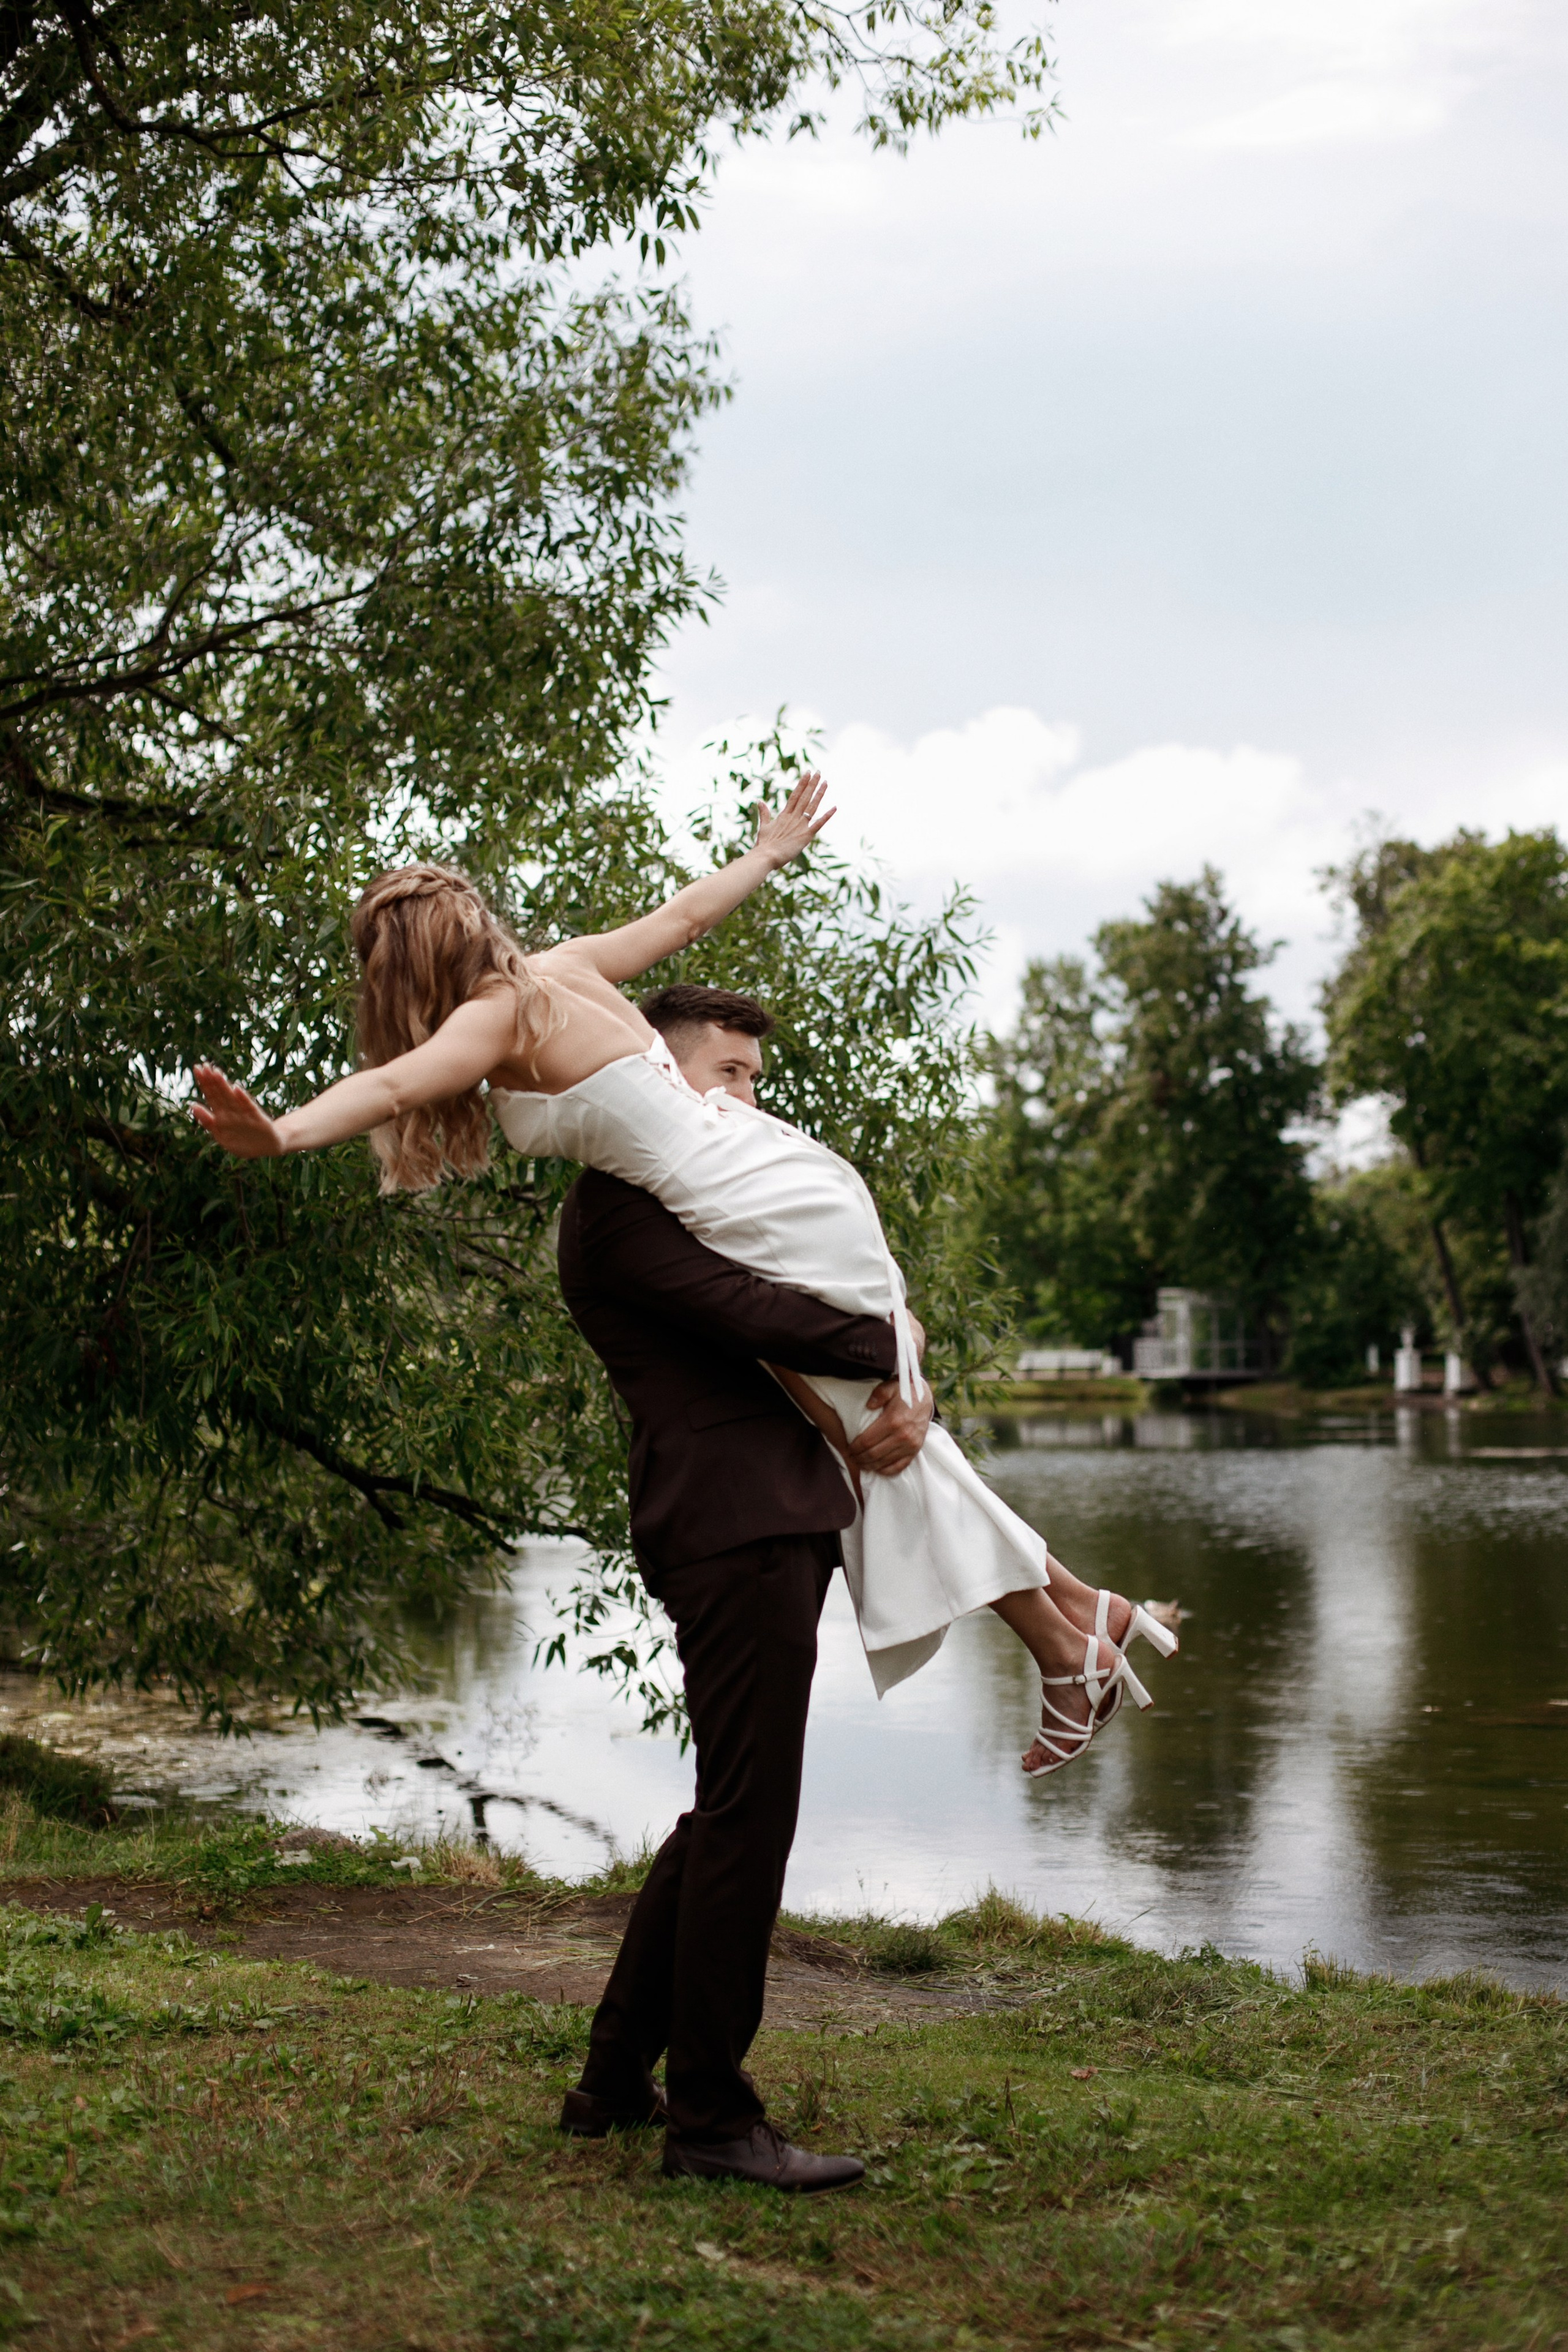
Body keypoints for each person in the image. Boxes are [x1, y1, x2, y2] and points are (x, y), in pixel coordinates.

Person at [190, 772, 1177, 1784]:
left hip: (745, 1202)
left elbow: (398, 1081)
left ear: (405, 970)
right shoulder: (563, 969)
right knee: (866, 1427)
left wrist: (283, 1133)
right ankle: (1076, 1614)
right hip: (779, 1178)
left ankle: (1068, 1648)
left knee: (870, 1432)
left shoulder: (499, 1014)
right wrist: (766, 856)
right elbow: (682, 918)